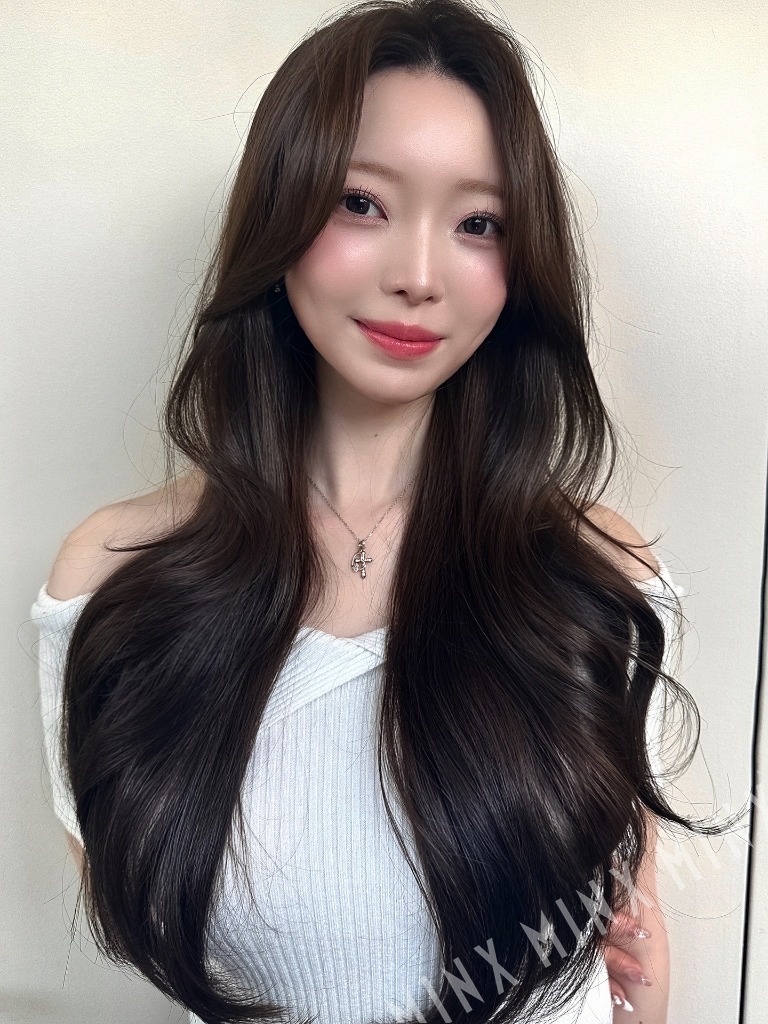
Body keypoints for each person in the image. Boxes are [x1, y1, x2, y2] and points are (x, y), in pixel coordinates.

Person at [29, 2, 740, 1022]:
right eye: (360, 203)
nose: (417, 275)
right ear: (278, 216)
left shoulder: (598, 582)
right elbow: (135, 909)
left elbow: (627, 942)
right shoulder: (115, 580)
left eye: (479, 223)